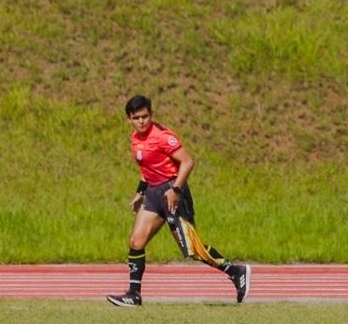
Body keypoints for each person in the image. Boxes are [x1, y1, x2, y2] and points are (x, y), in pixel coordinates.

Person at [107, 95, 250, 307]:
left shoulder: (163, 136)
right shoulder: (136, 139)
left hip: (172, 191)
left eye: (145, 116)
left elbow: (188, 162)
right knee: (136, 242)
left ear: (151, 115)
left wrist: (175, 189)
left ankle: (236, 271)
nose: (142, 121)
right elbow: (147, 169)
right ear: (129, 119)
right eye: (136, 118)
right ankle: (134, 295)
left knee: (192, 248)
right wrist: (140, 191)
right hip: (154, 194)